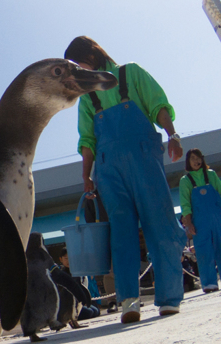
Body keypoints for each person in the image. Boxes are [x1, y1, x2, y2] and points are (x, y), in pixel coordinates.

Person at [66, 36, 186, 323]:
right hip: (108, 169)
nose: (76, 70)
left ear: (91, 56)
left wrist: (172, 134)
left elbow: (158, 103)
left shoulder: (130, 73)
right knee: (121, 234)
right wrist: (86, 174)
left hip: (144, 159)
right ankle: (129, 300)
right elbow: (88, 138)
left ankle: (169, 297)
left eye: (77, 63)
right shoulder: (87, 98)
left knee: (160, 224)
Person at [179, 148, 221, 293]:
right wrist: (189, 223)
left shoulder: (211, 174)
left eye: (199, 158)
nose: (196, 161)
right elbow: (185, 204)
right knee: (204, 251)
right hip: (199, 222)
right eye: (193, 158)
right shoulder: (185, 181)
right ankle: (209, 283)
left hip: (218, 218)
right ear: (188, 162)